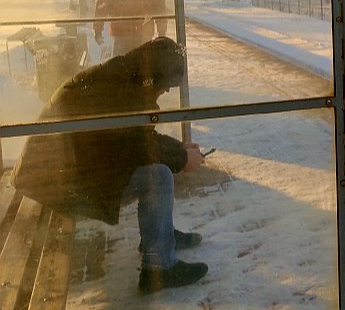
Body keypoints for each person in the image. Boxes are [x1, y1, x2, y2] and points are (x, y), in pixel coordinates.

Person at [12, 37, 208, 294]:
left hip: (54, 176)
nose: (168, 91)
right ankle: (159, 267)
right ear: (155, 75)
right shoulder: (124, 89)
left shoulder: (124, 77)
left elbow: (138, 136)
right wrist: (181, 160)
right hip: (56, 186)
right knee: (158, 177)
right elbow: (137, 147)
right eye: (168, 83)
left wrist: (179, 149)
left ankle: (162, 237)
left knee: (156, 171)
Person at [93, 0, 170, 57]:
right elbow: (159, 6)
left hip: (124, 32)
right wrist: (162, 31)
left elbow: (102, 5)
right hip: (140, 32)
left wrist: (98, 29)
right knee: (142, 67)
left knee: (121, 67)